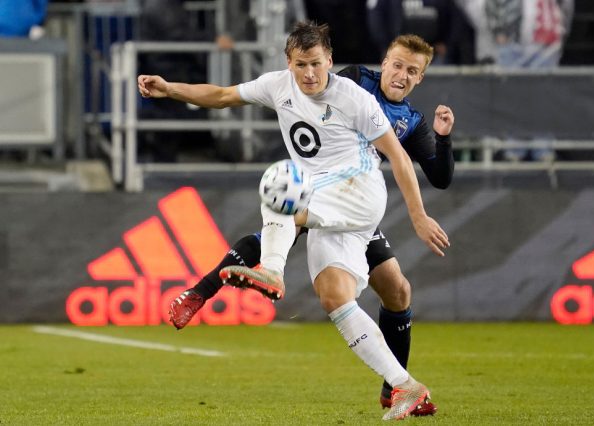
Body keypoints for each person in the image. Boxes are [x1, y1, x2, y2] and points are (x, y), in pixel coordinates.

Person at [138, 21, 450, 421]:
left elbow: (401, 157)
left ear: (330, 61)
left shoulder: (353, 97)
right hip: (331, 206)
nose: (309, 74)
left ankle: (271, 271)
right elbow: (220, 95)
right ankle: (407, 388)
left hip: (358, 190)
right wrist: (170, 88)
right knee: (334, 297)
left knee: (281, 184)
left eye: (317, 64)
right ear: (288, 62)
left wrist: (419, 215)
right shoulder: (277, 85)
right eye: (301, 64)